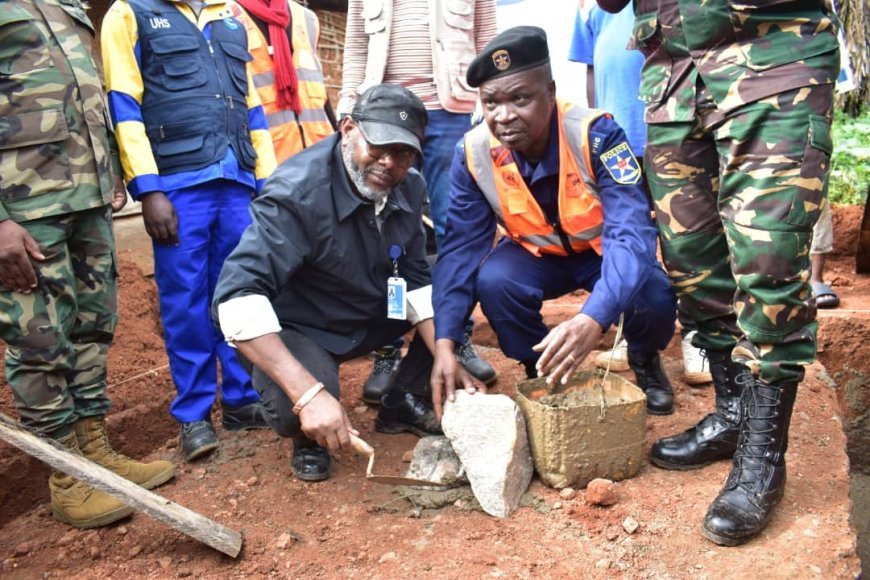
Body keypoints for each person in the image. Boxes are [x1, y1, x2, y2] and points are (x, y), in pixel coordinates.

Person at [597, 0, 840, 546]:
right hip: (674, 79)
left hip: (774, 58)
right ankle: (732, 415)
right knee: (692, 265)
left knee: (768, 262)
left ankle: (762, 458)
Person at [213, 85, 480, 482]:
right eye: (379, 146)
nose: (389, 162)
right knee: (293, 410)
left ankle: (402, 399)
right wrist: (308, 394)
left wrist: (445, 349)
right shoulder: (297, 193)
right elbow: (235, 298)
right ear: (348, 127)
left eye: (403, 153)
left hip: (370, 307)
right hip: (305, 326)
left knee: (454, 280)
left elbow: (415, 277)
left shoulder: (409, 185)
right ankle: (308, 435)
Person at [431, 26, 677, 419]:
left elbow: (631, 235)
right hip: (536, 255)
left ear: (550, 91)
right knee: (494, 281)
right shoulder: (473, 153)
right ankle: (541, 368)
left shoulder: (597, 135)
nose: (504, 115)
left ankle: (644, 359)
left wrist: (594, 317)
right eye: (491, 102)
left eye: (520, 98)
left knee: (651, 292)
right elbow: (460, 249)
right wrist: (445, 338)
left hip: (602, 252)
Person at [0, 0, 175, 528]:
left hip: (88, 197)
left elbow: (86, 93)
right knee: (39, 341)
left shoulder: (68, 6)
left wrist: (110, 172)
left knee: (91, 329)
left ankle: (96, 451)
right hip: (25, 208)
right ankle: (67, 476)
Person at [102, 0, 279, 462]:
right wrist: (149, 188)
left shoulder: (230, 16)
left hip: (238, 182)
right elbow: (123, 103)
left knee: (241, 294)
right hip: (178, 187)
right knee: (185, 301)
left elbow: (252, 109)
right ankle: (194, 416)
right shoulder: (129, 14)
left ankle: (242, 399)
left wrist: (267, 183)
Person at [339, 0, 499, 400]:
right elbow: (357, 45)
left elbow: (488, 40)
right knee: (383, 236)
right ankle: (388, 345)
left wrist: (486, 103)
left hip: (450, 114)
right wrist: (348, 104)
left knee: (455, 234)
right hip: (381, 120)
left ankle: (455, 336)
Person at [569, 0, 711, 386]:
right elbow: (592, 69)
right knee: (626, 241)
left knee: (687, 240)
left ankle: (698, 337)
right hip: (616, 145)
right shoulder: (591, 9)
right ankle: (630, 335)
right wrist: (594, 126)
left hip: (674, 134)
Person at [230, 0, 336, 163]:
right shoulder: (227, 17)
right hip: (267, 161)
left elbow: (319, 90)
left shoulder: (307, 18)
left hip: (320, 157)